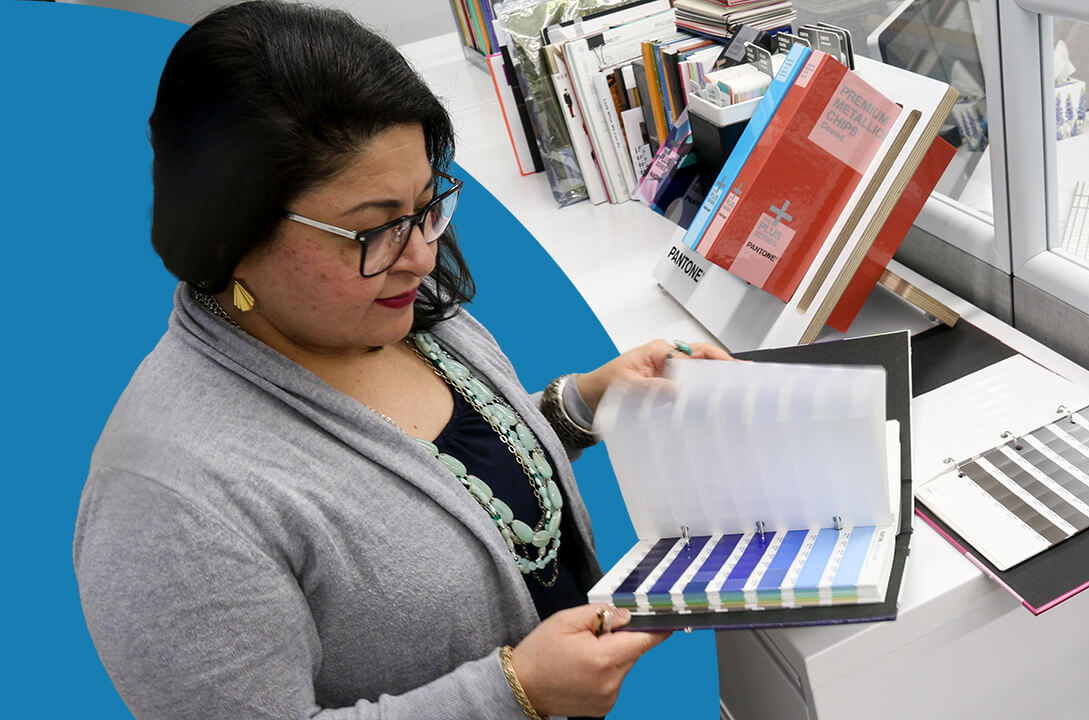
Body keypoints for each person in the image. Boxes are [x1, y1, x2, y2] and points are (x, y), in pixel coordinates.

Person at [71, 2, 730, 718]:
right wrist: (514, 693)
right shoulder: (166, 507)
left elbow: (441, 491)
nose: (420, 255)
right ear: (232, 226)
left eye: (425, 206)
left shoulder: (378, 304)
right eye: (373, 228)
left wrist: (582, 406)